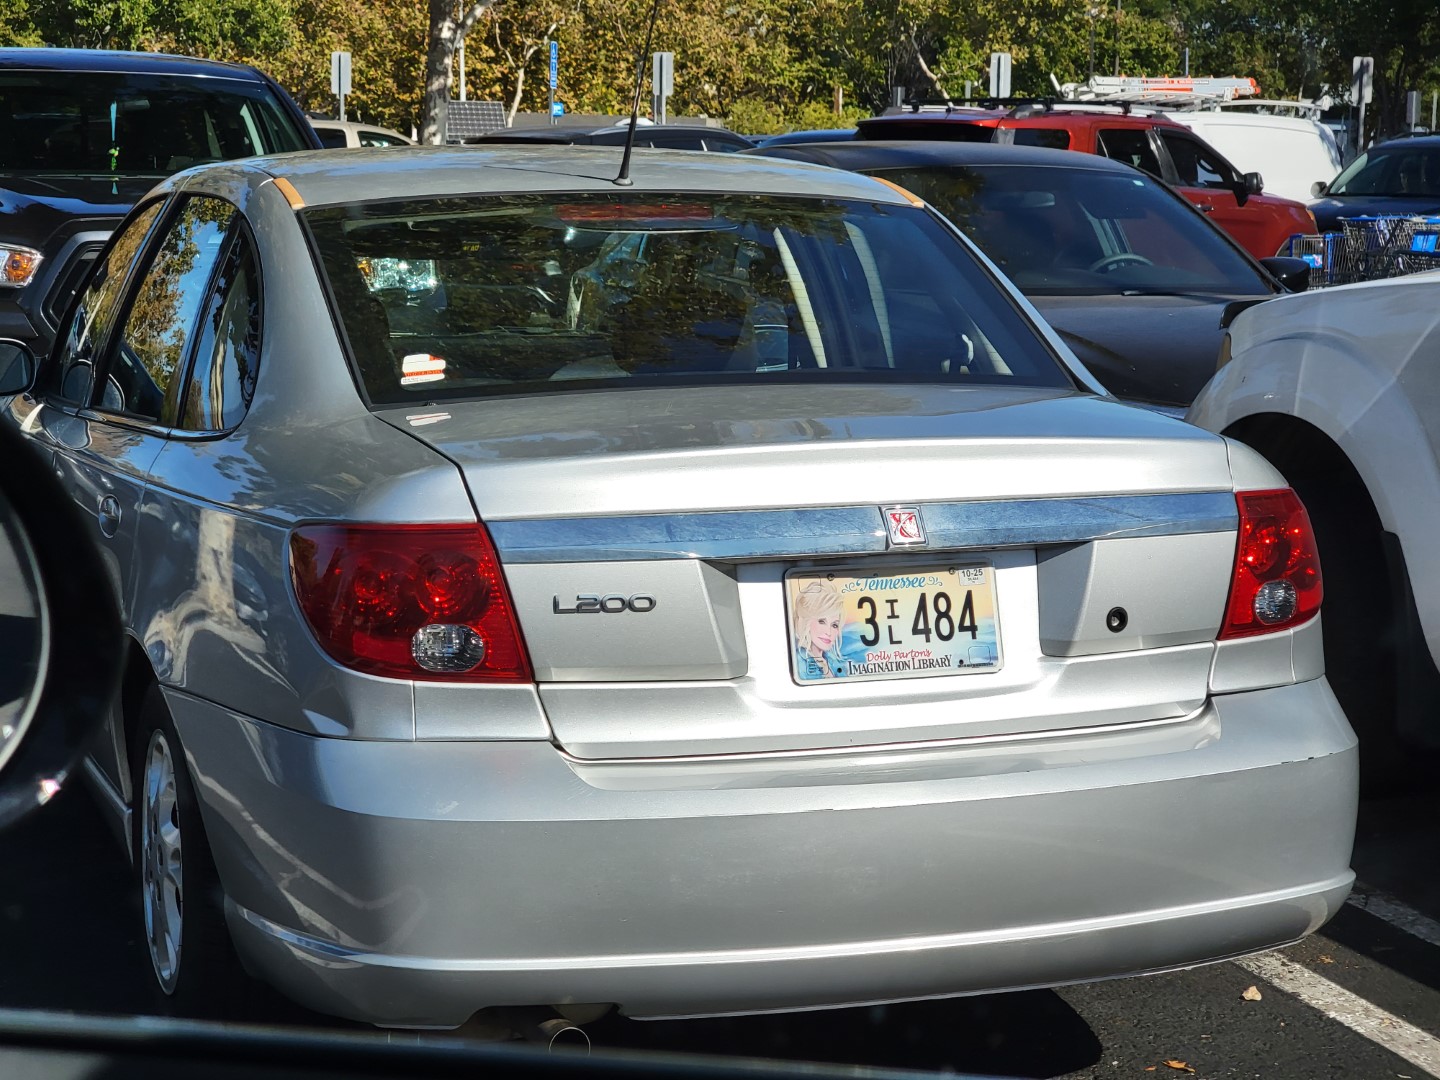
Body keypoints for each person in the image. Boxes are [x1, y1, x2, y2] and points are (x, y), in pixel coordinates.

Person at [791, 578, 846, 680]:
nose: (829, 632)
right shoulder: (799, 663)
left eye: (834, 625)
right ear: (806, 621)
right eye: (822, 622)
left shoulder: (832, 659)